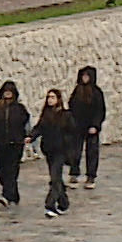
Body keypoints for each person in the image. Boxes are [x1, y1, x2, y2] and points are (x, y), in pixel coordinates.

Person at [30, 89, 77, 217]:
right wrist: (31, 136)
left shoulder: (66, 115)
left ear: (58, 99)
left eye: (53, 97)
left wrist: (67, 146)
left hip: (61, 151)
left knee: (55, 177)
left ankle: (50, 204)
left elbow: (72, 132)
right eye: (48, 97)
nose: (50, 100)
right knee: (55, 177)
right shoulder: (46, 114)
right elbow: (39, 127)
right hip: (49, 150)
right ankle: (64, 202)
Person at [0, 81, 30, 208]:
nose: (7, 94)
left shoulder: (20, 109)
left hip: (15, 143)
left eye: (10, 91)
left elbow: (27, 124)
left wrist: (27, 137)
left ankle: (6, 195)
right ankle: (14, 194)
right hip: (1, 143)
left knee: (12, 170)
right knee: (2, 171)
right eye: (5, 91)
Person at [67, 66, 106, 189]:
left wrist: (95, 125)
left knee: (92, 152)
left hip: (91, 127)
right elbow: (71, 106)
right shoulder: (77, 91)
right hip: (77, 126)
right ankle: (74, 173)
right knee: (74, 151)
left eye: (87, 76)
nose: (85, 78)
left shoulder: (96, 92)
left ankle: (91, 176)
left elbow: (100, 111)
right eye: (83, 76)